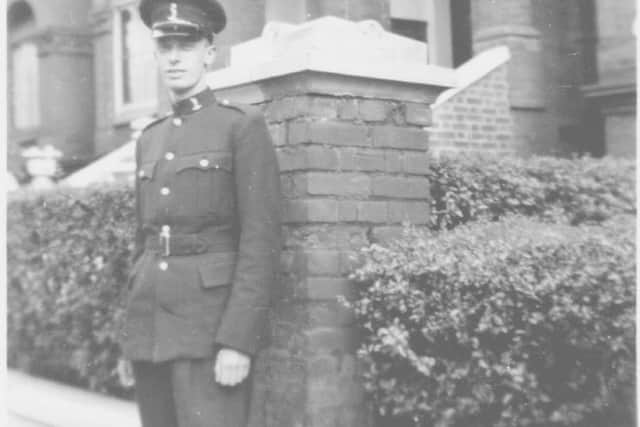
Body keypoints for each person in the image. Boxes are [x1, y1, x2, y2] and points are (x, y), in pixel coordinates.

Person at [116, 1, 282, 426]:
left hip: (210, 335)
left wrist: (238, 341)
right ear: (155, 53)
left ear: (209, 51)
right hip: (150, 332)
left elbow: (260, 242)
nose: (174, 56)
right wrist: (129, 338)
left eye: (186, 44)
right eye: (165, 45)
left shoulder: (240, 126)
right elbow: (143, 243)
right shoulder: (149, 139)